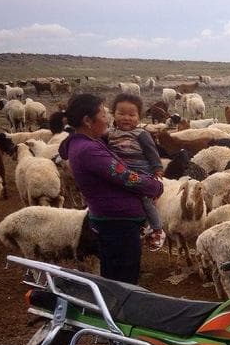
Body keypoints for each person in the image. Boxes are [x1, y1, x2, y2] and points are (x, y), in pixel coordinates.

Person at [59, 93, 163, 284]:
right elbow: (125, 176)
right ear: (88, 121)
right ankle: (118, 313)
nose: (107, 119)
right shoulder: (89, 150)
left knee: (115, 273)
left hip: (113, 220)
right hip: (117, 223)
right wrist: (155, 186)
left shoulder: (88, 143)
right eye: (104, 114)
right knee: (123, 279)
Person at [107, 92, 165, 250]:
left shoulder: (142, 134)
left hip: (140, 173)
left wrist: (157, 168)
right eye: (121, 113)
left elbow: (151, 152)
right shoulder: (110, 134)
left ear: (139, 117)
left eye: (132, 114)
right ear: (113, 114)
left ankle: (157, 229)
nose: (127, 118)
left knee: (146, 200)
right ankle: (139, 227)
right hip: (120, 173)